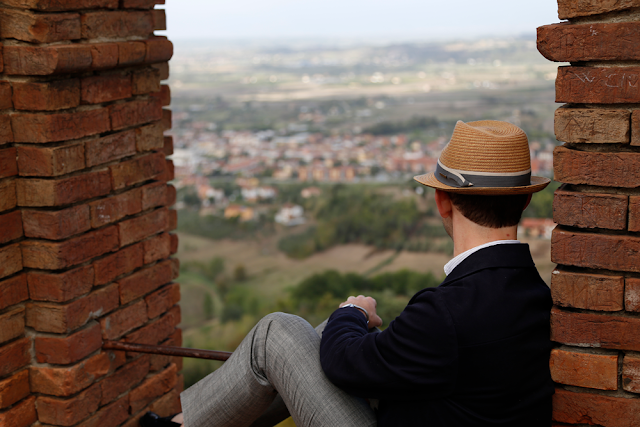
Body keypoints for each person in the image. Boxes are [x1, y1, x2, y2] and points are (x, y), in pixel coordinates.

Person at [141, 120, 554, 427]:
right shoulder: (533, 293)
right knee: (318, 336)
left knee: (277, 333)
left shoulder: (445, 311)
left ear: (442, 201)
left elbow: (341, 364)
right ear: (522, 204)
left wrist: (352, 311)